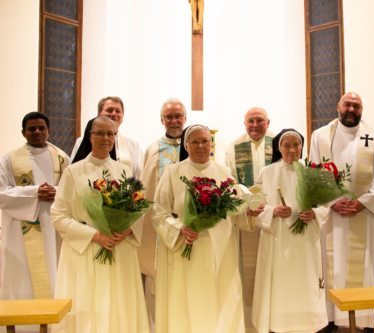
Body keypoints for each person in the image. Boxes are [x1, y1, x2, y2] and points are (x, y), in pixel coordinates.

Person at [153, 124, 259, 333]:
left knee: (221, 297)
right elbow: (158, 213)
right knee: (188, 299)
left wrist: (249, 211)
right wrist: (179, 229)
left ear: (211, 144)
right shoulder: (173, 172)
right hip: (188, 248)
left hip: (221, 249)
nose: (201, 145)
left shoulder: (223, 171)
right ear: (186, 145)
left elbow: (235, 207)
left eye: (205, 141)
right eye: (195, 141)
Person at [51, 116, 149, 333]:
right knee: (89, 305)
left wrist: (127, 229)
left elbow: (138, 209)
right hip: (87, 250)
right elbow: (58, 215)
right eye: (100, 133)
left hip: (118, 249)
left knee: (118, 305)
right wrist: (94, 235)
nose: (106, 138)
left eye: (110, 134)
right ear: (90, 137)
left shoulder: (124, 172)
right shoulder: (73, 172)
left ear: (115, 137)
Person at [309, 92, 374, 329]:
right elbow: (314, 170)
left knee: (365, 266)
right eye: (348, 104)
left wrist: (363, 202)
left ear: (361, 109)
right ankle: (331, 319)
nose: (351, 109)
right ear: (338, 106)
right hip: (332, 216)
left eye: (356, 105)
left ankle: (364, 320)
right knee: (330, 265)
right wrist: (331, 201)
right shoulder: (321, 135)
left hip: (364, 215)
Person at [252, 129, 328, 333]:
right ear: (279, 148)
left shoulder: (314, 172)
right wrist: (273, 211)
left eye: (297, 145)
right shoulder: (266, 173)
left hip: (305, 244)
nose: (292, 149)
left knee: (305, 283)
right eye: (287, 145)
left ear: (302, 147)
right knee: (281, 286)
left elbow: (326, 207)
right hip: (278, 239)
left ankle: (307, 325)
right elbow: (254, 207)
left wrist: (314, 213)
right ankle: (279, 326)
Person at [0, 112, 69, 308]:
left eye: (42, 128)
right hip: (20, 230)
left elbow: (72, 189)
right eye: (32, 128)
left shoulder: (62, 158)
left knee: (54, 271)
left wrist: (55, 191)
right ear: (23, 132)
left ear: (49, 131)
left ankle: (55, 324)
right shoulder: (9, 160)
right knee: (22, 277)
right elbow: (1, 192)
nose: (37, 132)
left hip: (54, 228)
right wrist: (34, 192)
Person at [225, 106, 274, 327]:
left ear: (268, 122)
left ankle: (269, 319)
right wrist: (248, 205)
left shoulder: (278, 143)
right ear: (244, 123)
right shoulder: (235, 147)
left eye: (259, 120)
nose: (255, 125)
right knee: (246, 273)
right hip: (246, 217)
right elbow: (231, 181)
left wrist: (267, 206)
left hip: (273, 218)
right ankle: (247, 322)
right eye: (250, 121)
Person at [139, 98, 186, 322]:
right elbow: (145, 187)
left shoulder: (196, 144)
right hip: (159, 224)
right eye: (169, 116)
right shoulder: (153, 149)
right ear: (162, 120)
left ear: (185, 118)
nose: (174, 120)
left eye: (178, 116)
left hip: (188, 225)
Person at [70, 96, 143, 178]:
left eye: (118, 111)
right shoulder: (82, 141)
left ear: (122, 117)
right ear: (99, 114)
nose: (114, 114)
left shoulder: (133, 146)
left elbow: (139, 176)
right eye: (109, 110)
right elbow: (75, 170)